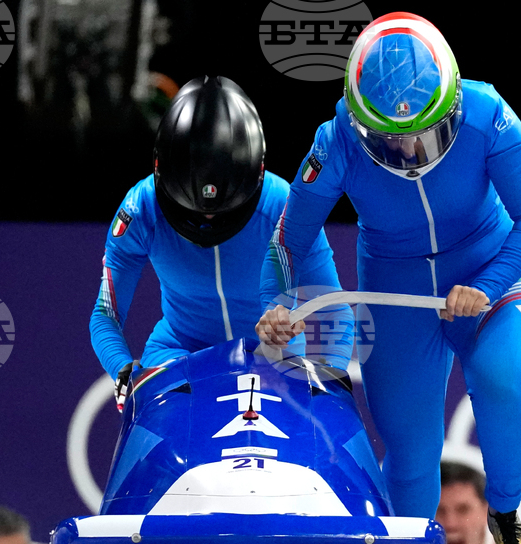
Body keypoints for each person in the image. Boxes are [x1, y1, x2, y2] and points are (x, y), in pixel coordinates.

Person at [256, 12, 521, 544]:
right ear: (361, 122)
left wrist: (488, 285)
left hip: (488, 264)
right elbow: (289, 235)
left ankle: (505, 515)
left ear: (450, 104)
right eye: (390, 142)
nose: (409, 153)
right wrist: (277, 301)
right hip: (397, 287)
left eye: (424, 136)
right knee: (411, 448)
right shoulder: (335, 139)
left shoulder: (487, 113)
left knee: (500, 375)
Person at [90, 75, 351, 406]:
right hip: (178, 356)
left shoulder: (285, 207)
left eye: (224, 213)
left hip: (276, 358)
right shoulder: (140, 209)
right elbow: (106, 313)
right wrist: (123, 371)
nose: (208, 222)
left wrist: (331, 377)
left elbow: (334, 307)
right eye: (192, 212)